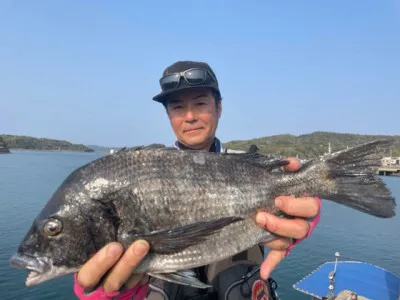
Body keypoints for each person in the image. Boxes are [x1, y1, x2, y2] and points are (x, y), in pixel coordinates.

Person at [73, 61, 321, 299]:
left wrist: (305, 216)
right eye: (177, 107)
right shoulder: (146, 173)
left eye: (200, 103)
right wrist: (104, 289)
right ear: (168, 115)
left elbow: (298, 189)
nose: (189, 116)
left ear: (219, 107)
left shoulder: (247, 165)